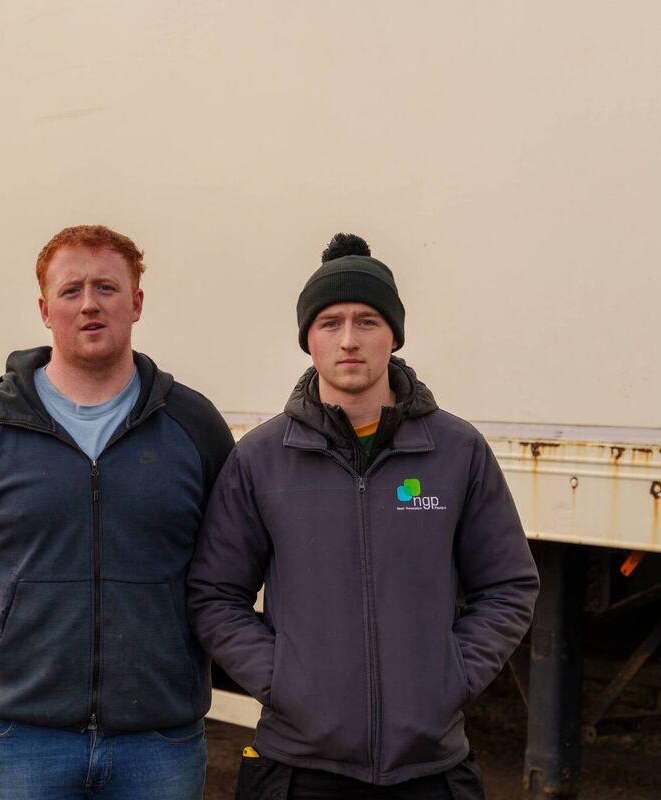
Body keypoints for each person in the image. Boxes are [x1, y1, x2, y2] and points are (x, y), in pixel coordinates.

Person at [188, 233, 539, 799]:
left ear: (393, 336)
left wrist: (450, 676)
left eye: (368, 321)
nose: (349, 340)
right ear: (309, 340)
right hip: (299, 769)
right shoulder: (260, 457)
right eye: (330, 323)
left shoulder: (456, 450)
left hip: (430, 770)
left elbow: (509, 585)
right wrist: (283, 680)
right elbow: (213, 593)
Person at [0, 224, 234, 800]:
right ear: (44, 309)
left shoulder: (193, 425)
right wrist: (12, 650)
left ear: (136, 303)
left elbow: (229, 566)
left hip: (157, 738)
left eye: (107, 288)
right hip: (16, 738)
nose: (89, 304)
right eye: (71, 290)